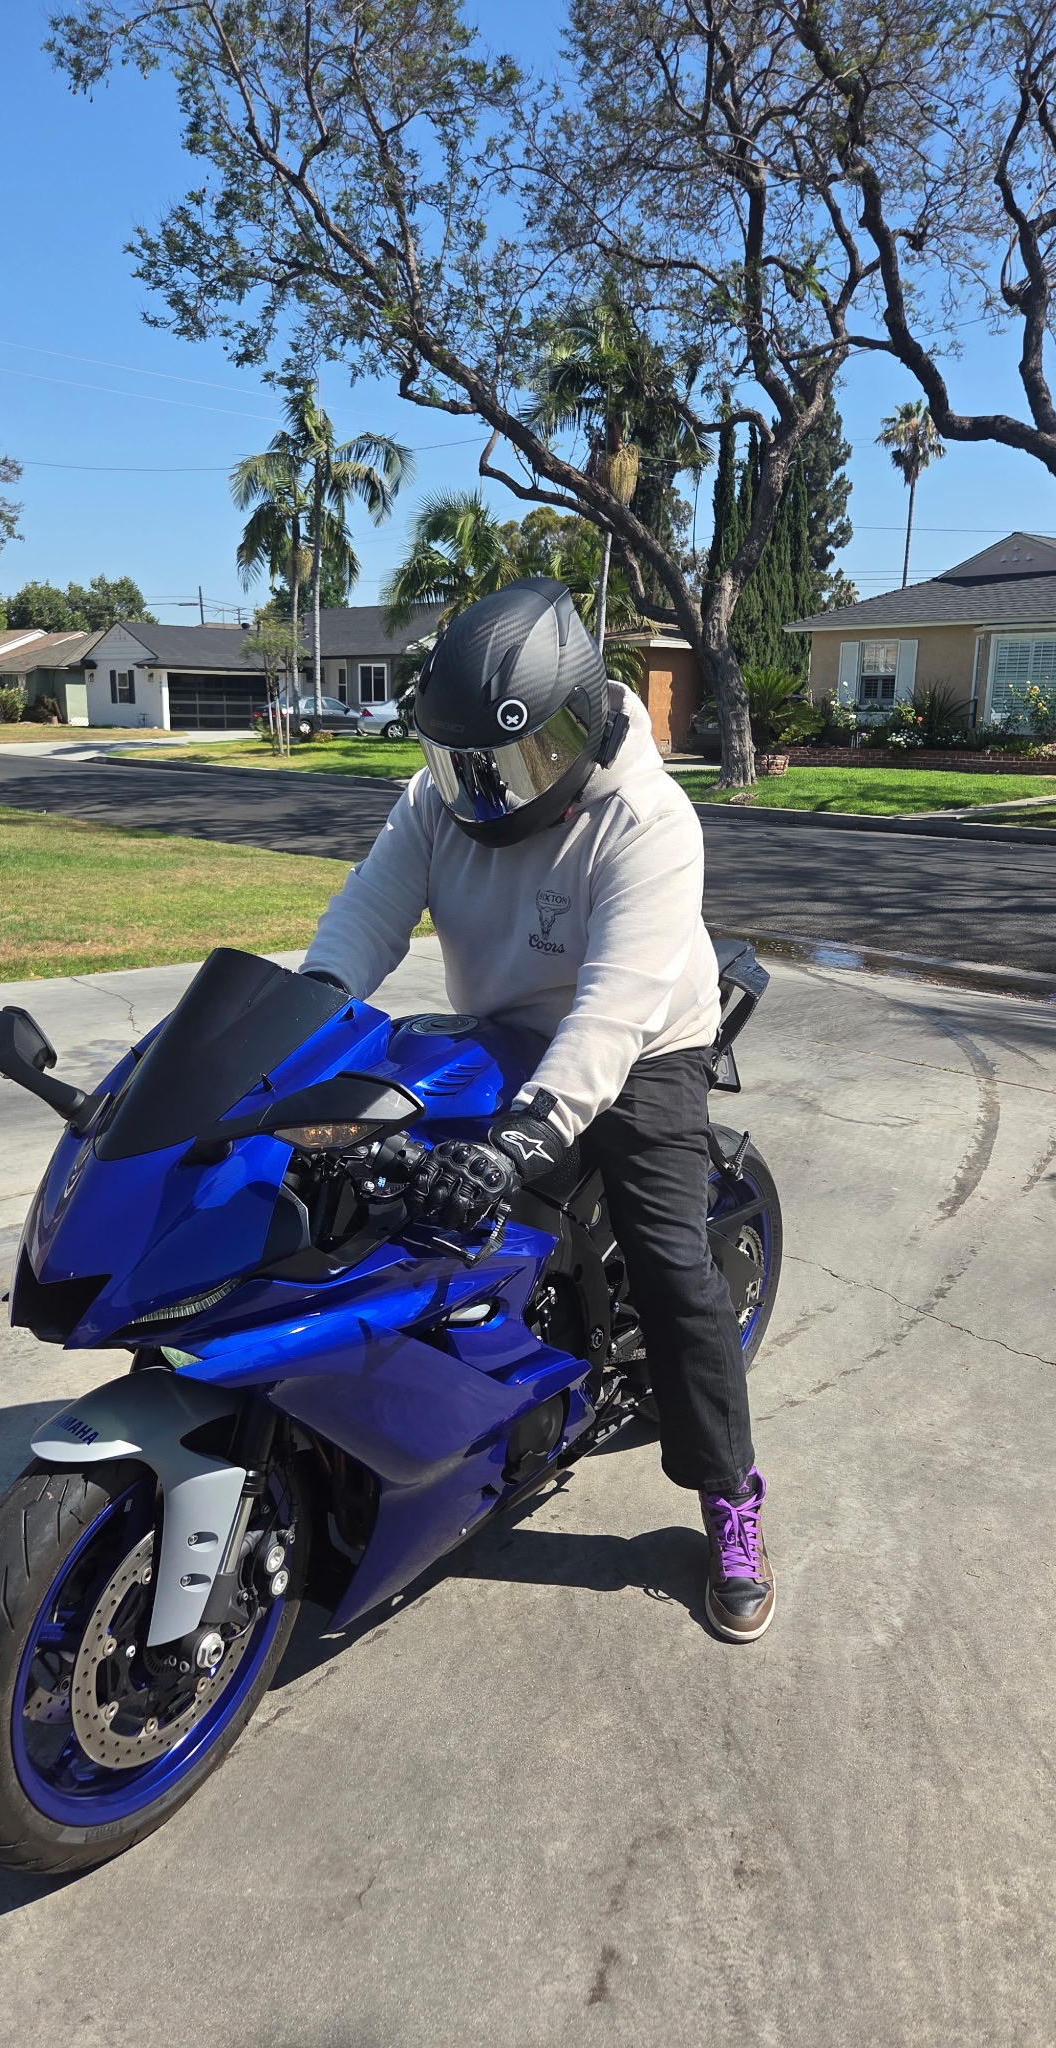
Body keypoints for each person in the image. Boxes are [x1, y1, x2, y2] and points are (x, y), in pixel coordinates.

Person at [299, 578, 772, 1642]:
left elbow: (611, 1011)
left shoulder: (648, 820)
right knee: (369, 1186)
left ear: (574, 727)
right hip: (502, 1024)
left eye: (509, 765)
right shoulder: (442, 796)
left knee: (670, 1260)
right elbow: (366, 916)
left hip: (645, 1039)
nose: (482, 791)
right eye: (463, 764)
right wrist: (306, 1013)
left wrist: (524, 1136)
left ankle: (730, 1496)